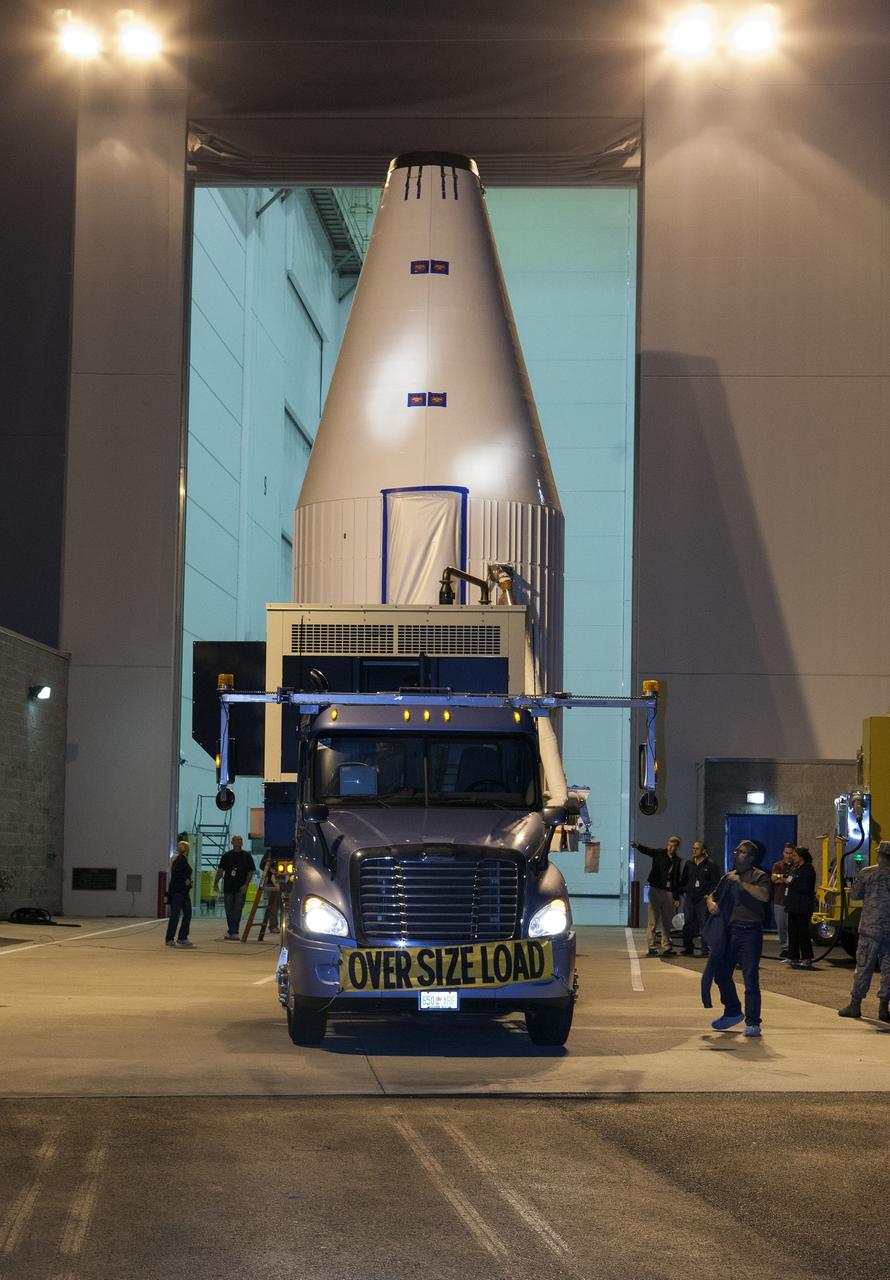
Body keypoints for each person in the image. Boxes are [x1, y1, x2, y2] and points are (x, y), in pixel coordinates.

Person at [704, 840, 770, 1037]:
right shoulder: (728, 876)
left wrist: (741, 884)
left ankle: (753, 1022)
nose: (736, 854)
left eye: (740, 852)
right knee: (721, 974)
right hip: (730, 932)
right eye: (735, 851)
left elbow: (764, 896)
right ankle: (732, 1010)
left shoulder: (760, 876)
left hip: (750, 933)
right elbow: (711, 895)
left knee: (750, 977)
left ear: (750, 858)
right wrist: (711, 903)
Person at [839, 841, 890, 1022]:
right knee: (888, 970)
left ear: (879, 855)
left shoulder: (867, 872)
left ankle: (855, 1004)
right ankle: (884, 1008)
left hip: (870, 928)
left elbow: (855, 895)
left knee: (864, 966)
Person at [631, 835, 683, 956]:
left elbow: (676, 879)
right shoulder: (659, 853)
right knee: (653, 920)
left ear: (677, 847)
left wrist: (676, 897)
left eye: (673, 846)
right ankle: (651, 946)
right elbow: (647, 850)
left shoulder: (677, 861)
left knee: (667, 920)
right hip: (655, 889)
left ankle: (666, 946)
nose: (670, 848)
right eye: (669, 845)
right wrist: (637, 846)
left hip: (669, 891)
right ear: (667, 844)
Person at [679, 841, 721, 955]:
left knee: (704, 923)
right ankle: (688, 948)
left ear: (703, 851)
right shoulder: (689, 864)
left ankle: (704, 948)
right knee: (688, 922)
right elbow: (684, 879)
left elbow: (715, 882)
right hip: (690, 898)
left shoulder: (711, 865)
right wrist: (684, 891)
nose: (694, 850)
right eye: (693, 848)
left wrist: (709, 894)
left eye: (697, 848)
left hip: (703, 898)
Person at [213, 835, 255, 940]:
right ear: (232, 842)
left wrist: (246, 884)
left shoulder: (247, 856)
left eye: (241, 839)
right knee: (228, 910)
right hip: (228, 887)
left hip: (240, 888)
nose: (240, 841)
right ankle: (231, 930)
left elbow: (251, 871)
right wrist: (215, 883)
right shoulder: (227, 856)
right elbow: (220, 870)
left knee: (237, 909)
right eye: (237, 840)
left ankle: (234, 931)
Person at [784, 846, 816, 969]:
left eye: (795, 855)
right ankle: (793, 956)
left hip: (802, 906)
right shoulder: (795, 868)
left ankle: (807, 957)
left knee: (803, 932)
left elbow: (806, 887)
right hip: (792, 905)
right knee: (793, 932)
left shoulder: (808, 870)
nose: (792, 857)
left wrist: (791, 883)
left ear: (801, 857)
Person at [165, 840, 195, 948]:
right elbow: (177, 872)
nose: (181, 848)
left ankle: (182, 937)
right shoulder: (180, 859)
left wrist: (188, 882)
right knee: (176, 916)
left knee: (187, 913)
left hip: (183, 892)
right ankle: (170, 938)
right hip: (177, 892)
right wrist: (186, 879)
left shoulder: (182, 860)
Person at [770, 842, 796, 957]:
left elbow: (793, 881)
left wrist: (780, 877)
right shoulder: (777, 865)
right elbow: (773, 879)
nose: (788, 855)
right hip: (779, 900)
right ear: (783, 852)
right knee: (781, 926)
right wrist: (785, 878)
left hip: (792, 900)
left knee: (791, 925)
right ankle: (784, 947)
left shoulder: (796, 865)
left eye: (790, 853)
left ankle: (792, 948)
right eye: (786, 853)